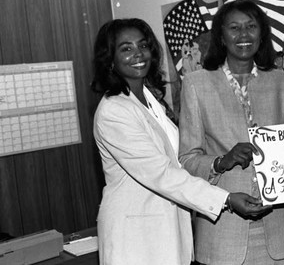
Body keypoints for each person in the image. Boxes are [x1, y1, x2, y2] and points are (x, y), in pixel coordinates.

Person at [91, 18, 270, 265]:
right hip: (135, 237)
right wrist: (225, 199)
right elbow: (161, 173)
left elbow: (180, 160)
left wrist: (220, 162)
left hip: (168, 229)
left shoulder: (149, 98)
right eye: (126, 48)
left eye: (143, 46)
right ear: (110, 58)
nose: (138, 54)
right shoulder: (114, 111)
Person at [178, 0, 284, 265]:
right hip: (223, 232)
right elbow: (187, 160)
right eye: (234, 27)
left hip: (282, 231)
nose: (243, 35)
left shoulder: (283, 82)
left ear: (262, 34)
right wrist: (222, 161)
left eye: (251, 26)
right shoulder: (196, 84)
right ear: (221, 36)